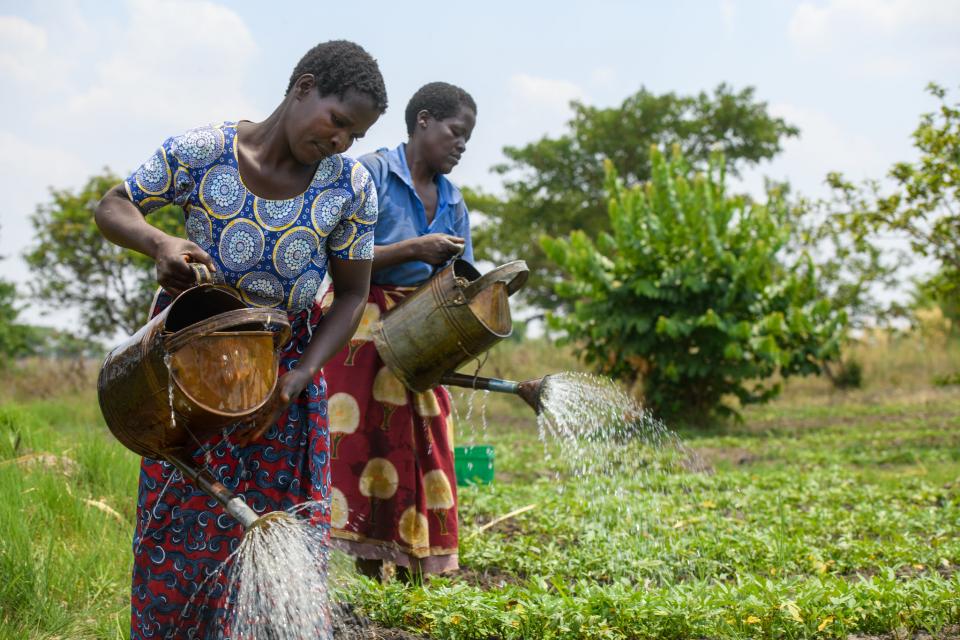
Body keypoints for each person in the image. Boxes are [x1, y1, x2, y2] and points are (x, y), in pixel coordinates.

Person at [93, 40, 387, 639]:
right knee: (180, 521)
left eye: (354, 134)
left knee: (283, 530)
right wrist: (161, 244)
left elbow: (354, 293)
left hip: (283, 377)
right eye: (337, 121)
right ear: (303, 86)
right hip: (189, 367)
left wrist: (300, 376)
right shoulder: (204, 152)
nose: (341, 141)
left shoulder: (350, 184)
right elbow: (113, 206)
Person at [324, 81, 476, 579]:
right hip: (360, 321)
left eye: (467, 140)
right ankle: (372, 567)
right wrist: (414, 249)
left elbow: (462, 278)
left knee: (424, 441)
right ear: (424, 120)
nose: (460, 146)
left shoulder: (453, 201)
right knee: (368, 442)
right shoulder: (370, 173)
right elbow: (339, 254)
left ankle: (415, 569)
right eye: (455, 132)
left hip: (421, 326)